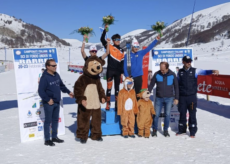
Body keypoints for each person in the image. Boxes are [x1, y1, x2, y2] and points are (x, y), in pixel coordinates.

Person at [176, 55, 219, 138]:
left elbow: (204, 72)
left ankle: (192, 131)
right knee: (182, 114)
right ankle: (182, 130)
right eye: (187, 61)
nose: (189, 63)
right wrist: (176, 96)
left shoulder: (195, 71)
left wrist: (213, 70)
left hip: (191, 96)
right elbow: (177, 83)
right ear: (183, 62)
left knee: (192, 114)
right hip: (182, 97)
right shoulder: (180, 72)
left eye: (190, 61)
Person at [38, 59, 74, 146]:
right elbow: (40, 91)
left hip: (57, 102)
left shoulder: (56, 74)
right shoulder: (44, 77)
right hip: (49, 104)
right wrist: (47, 99)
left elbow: (62, 86)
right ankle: (47, 140)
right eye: (53, 66)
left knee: (55, 120)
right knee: (48, 121)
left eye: (55, 65)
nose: (55, 67)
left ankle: (54, 137)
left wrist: (68, 92)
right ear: (48, 67)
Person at [124, 33, 161, 100]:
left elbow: (149, 48)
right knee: (129, 93)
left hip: (138, 76)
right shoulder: (127, 55)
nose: (136, 48)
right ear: (132, 46)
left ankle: (137, 107)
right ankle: (129, 108)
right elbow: (124, 67)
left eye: (137, 47)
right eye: (135, 47)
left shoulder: (140, 53)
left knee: (138, 93)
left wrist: (156, 39)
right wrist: (126, 76)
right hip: (130, 77)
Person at [148, 62, 179, 137]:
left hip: (169, 98)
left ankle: (165, 130)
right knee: (156, 114)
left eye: (163, 70)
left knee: (167, 114)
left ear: (167, 68)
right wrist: (148, 93)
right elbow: (151, 84)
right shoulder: (157, 74)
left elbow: (176, 87)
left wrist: (176, 98)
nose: (161, 71)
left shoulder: (172, 74)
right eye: (160, 69)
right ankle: (154, 130)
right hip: (159, 98)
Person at [100, 25, 124, 110]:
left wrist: (122, 72)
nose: (118, 41)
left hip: (117, 72)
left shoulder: (122, 50)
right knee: (109, 89)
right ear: (113, 40)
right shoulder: (109, 46)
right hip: (110, 70)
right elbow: (102, 39)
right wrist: (105, 31)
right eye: (116, 40)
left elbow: (122, 62)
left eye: (119, 39)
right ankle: (108, 104)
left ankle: (117, 105)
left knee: (117, 89)